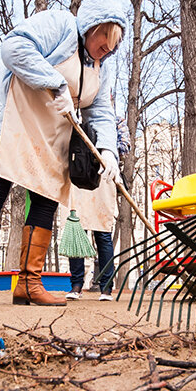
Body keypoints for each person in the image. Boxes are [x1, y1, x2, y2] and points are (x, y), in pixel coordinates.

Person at [0, 1, 126, 309]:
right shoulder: (59, 25)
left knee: (47, 196)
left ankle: (29, 283)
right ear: (93, 29)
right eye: (105, 42)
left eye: (113, 48)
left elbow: (100, 111)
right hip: (4, 115)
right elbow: (14, 47)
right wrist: (56, 83)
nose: (107, 51)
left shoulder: (101, 67)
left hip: (46, 130)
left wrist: (109, 151)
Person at [66, 109, 130, 302]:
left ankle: (106, 287)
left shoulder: (116, 121)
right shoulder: (75, 118)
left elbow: (124, 146)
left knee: (103, 233)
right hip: (78, 176)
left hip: (103, 176)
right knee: (76, 230)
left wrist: (105, 152)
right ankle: (76, 286)